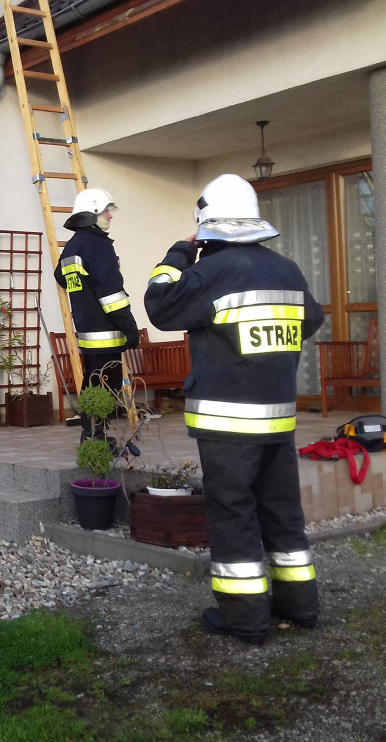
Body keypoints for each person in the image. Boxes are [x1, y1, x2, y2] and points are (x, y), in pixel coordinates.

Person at [145, 173, 324, 644]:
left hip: (226, 423)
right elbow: (312, 318)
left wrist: (178, 254)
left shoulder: (210, 274)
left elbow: (159, 305)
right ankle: (300, 606)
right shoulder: (286, 270)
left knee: (233, 512)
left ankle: (246, 619)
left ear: (206, 227)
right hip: (278, 418)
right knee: (283, 510)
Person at [53, 188, 140, 441]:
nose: (110, 217)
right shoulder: (98, 245)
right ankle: (99, 437)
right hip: (107, 331)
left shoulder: (73, 245)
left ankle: (89, 434)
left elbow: (61, 275)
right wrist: (130, 327)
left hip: (87, 331)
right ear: (92, 214)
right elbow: (111, 293)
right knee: (107, 386)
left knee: (92, 383)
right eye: (105, 211)